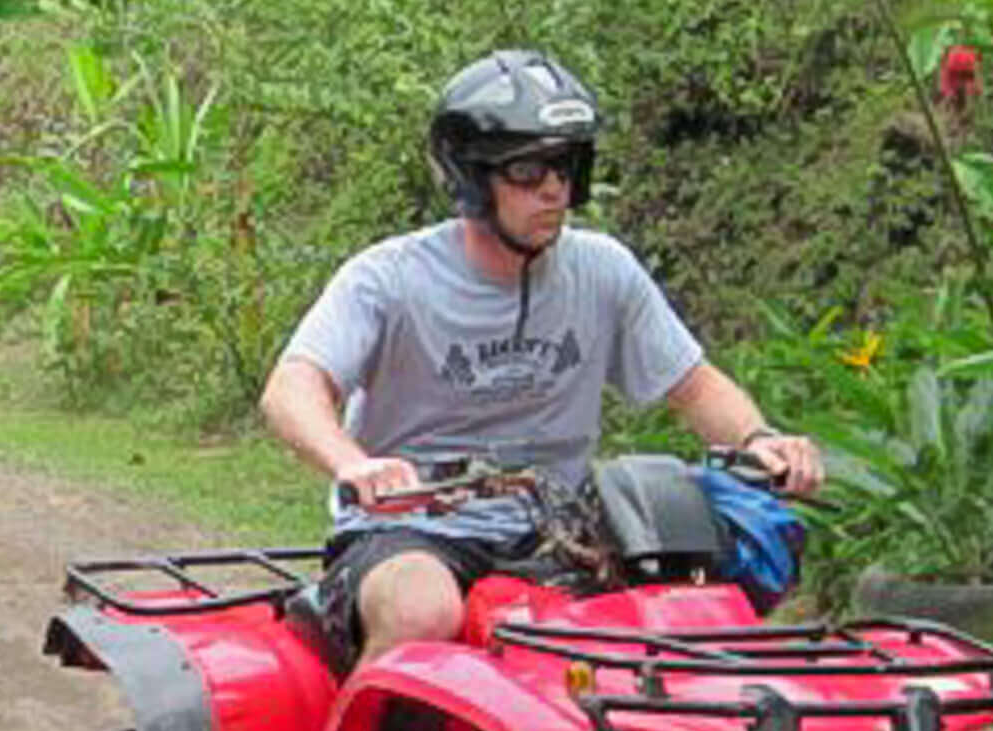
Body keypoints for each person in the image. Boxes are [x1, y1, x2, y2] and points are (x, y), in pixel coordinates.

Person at [258, 50, 824, 664]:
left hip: (564, 530)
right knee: (424, 612)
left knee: (691, 606)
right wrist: (353, 464)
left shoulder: (603, 270)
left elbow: (693, 385)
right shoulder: (390, 278)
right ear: (472, 178)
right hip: (411, 531)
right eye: (527, 170)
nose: (554, 188)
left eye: (565, 166)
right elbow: (293, 387)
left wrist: (761, 438)